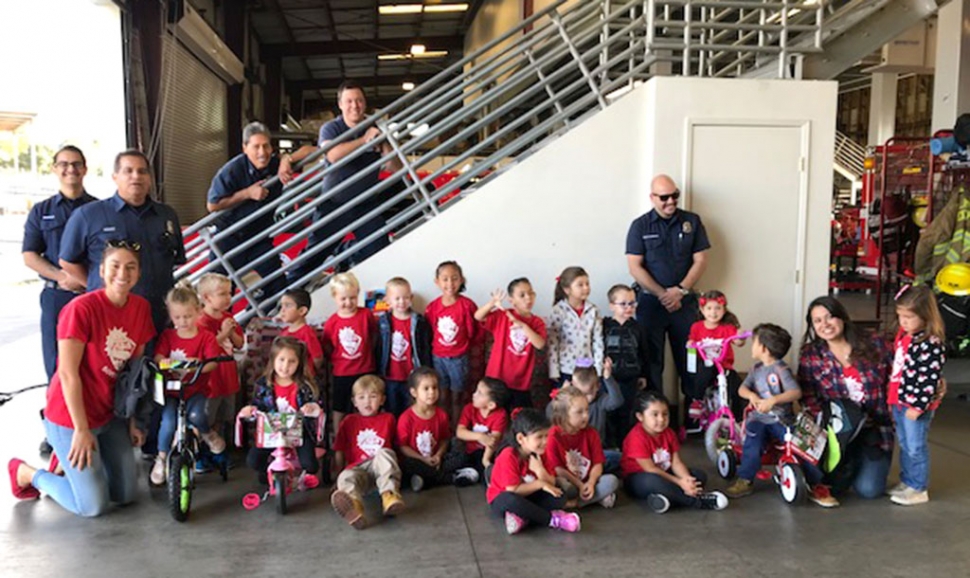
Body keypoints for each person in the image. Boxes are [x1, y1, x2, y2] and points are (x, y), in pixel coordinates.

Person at [8, 241, 154, 517]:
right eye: (115, 266)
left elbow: (134, 374)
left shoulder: (140, 308)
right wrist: (80, 429)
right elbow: (67, 373)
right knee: (92, 506)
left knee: (125, 495)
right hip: (71, 415)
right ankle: (27, 473)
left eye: (130, 267)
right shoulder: (81, 309)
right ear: (101, 270)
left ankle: (66, 464)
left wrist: (134, 421)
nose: (122, 273)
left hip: (109, 414)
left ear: (138, 273)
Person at [59, 149, 185, 334]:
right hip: (110, 315)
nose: (136, 176)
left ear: (150, 178)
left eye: (142, 171)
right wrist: (101, 285)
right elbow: (67, 261)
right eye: (128, 171)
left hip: (158, 316)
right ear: (115, 177)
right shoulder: (89, 215)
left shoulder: (166, 215)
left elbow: (175, 259)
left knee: (157, 363)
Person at [293, 81, 404, 280]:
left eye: (359, 100)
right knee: (313, 256)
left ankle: (348, 256)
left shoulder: (376, 127)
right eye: (349, 101)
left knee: (380, 251)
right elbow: (332, 155)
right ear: (340, 105)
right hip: (334, 203)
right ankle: (286, 295)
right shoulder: (331, 128)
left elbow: (396, 168)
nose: (355, 105)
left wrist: (385, 144)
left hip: (365, 204)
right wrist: (363, 141)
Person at [625, 174, 710, 428]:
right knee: (652, 363)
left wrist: (680, 290)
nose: (671, 201)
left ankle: (693, 420)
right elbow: (634, 266)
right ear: (652, 198)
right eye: (664, 197)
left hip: (684, 303)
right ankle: (655, 421)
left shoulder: (692, 222)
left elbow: (701, 260)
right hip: (651, 304)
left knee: (691, 360)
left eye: (675, 195)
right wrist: (663, 293)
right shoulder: (640, 226)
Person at [724, 323, 837, 507]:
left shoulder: (781, 370)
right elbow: (742, 389)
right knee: (752, 441)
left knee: (802, 445)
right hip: (759, 418)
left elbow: (795, 392)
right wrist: (751, 395)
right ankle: (745, 479)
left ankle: (816, 483)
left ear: (763, 348)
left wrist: (774, 400)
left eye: (754, 343)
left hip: (783, 420)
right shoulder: (756, 369)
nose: (752, 347)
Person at [206, 122, 315, 303]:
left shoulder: (276, 164)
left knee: (277, 285)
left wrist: (287, 159)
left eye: (266, 146)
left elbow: (311, 150)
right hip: (229, 236)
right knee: (219, 291)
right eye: (256, 146)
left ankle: (256, 320)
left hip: (259, 237)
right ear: (245, 148)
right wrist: (247, 193)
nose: (262, 152)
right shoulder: (231, 170)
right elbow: (212, 205)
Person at [797, 296, 895, 499]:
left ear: (842, 317)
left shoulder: (874, 343)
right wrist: (825, 424)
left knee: (869, 490)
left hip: (874, 429)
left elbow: (900, 372)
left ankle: (862, 464)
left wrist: (935, 384)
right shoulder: (811, 354)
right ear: (812, 326)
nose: (825, 325)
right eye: (817, 321)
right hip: (838, 433)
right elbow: (808, 396)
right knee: (835, 485)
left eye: (830, 317)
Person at [22, 145, 95, 382]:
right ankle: (58, 416)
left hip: (91, 295)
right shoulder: (41, 212)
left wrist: (85, 281)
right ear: (54, 169)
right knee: (57, 364)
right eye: (64, 164)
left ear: (85, 169)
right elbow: (30, 255)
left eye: (76, 164)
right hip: (56, 298)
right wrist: (63, 277)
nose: (70, 169)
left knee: (94, 361)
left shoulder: (100, 210)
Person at [151, 283, 226, 485]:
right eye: (177, 317)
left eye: (188, 316)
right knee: (168, 422)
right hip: (171, 392)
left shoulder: (206, 337)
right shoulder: (168, 336)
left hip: (195, 390)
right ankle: (162, 457)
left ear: (198, 312)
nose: (183, 322)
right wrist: (163, 362)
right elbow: (158, 357)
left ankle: (207, 434)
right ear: (170, 315)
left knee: (197, 415)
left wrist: (197, 367)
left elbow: (212, 364)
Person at [621, 391, 728, 513]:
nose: (661, 419)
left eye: (665, 414)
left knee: (698, 476)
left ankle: (666, 499)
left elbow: (676, 463)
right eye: (655, 415)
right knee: (654, 482)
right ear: (640, 417)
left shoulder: (669, 433)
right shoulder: (636, 437)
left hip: (665, 473)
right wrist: (679, 482)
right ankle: (697, 501)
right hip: (639, 479)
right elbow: (650, 469)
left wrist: (687, 479)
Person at [887, 285, 946, 506]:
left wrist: (918, 406)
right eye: (900, 316)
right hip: (899, 400)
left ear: (925, 316)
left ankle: (919, 487)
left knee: (915, 445)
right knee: (904, 443)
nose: (903, 321)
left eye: (909, 317)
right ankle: (908, 481)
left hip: (914, 405)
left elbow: (929, 379)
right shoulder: (905, 336)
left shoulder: (931, 344)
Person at [237, 337, 322, 485]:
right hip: (272, 431)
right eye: (281, 360)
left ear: (299, 363)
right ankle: (269, 472)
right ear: (273, 360)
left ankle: (301, 478)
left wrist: (311, 408)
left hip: (299, 431)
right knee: (253, 461)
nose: (285, 366)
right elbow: (258, 407)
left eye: (292, 361)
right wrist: (250, 411)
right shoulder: (263, 385)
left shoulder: (305, 386)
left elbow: (316, 405)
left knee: (310, 465)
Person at [486, 408, 580, 535]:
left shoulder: (540, 453)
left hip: (529, 497)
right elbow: (513, 490)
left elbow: (551, 482)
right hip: (505, 499)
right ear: (521, 438)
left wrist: (540, 470)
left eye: (547, 436)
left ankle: (523, 517)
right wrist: (540, 484)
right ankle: (552, 520)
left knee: (559, 497)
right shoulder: (508, 455)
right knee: (510, 499)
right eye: (539, 437)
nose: (545, 441)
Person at [330, 375, 404, 530]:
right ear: (354, 402)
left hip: (380, 468)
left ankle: (389, 495)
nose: (367, 402)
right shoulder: (349, 421)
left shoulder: (388, 419)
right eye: (361, 397)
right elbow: (339, 450)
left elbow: (397, 446)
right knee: (346, 477)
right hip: (359, 470)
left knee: (385, 453)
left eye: (373, 397)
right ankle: (354, 507)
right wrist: (337, 477)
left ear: (382, 400)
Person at [475, 278, 547, 410]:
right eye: (522, 295)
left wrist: (522, 325)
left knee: (520, 418)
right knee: (496, 417)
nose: (528, 298)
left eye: (531, 293)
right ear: (511, 300)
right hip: (496, 379)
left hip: (521, 382)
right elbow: (478, 316)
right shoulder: (503, 316)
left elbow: (540, 344)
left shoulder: (537, 322)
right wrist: (491, 304)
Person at [322, 272, 378, 435]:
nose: (348, 302)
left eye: (353, 298)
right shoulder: (332, 322)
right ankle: (339, 438)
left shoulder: (366, 315)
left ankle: (368, 434)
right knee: (340, 406)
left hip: (366, 370)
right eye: (343, 299)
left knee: (368, 405)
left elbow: (374, 336)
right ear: (335, 297)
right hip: (343, 372)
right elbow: (327, 346)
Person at [545, 385, 619, 508]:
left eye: (587, 410)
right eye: (579, 412)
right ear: (564, 415)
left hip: (588, 480)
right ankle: (594, 498)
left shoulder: (591, 433)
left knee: (612, 481)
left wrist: (591, 482)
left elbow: (597, 463)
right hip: (569, 482)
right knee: (563, 486)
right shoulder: (553, 436)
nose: (586, 416)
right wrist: (579, 485)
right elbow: (558, 469)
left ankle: (576, 503)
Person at [425, 261, 478, 427]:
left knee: (457, 396)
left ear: (461, 280)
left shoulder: (467, 305)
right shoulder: (433, 307)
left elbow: (473, 332)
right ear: (437, 282)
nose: (450, 283)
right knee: (441, 395)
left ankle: (457, 431)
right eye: (445, 279)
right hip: (438, 358)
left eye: (454, 278)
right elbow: (430, 331)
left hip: (459, 359)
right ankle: (442, 428)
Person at [396, 367, 463, 491]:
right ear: (414, 392)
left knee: (461, 456)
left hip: (436, 459)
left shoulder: (441, 414)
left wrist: (438, 455)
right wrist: (423, 459)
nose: (432, 392)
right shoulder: (406, 418)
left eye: (435, 388)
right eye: (426, 388)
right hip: (417, 460)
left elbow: (444, 439)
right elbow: (403, 447)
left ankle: (425, 480)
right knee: (407, 464)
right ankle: (449, 478)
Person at [686, 290, 744, 424]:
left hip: (724, 367)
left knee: (736, 386)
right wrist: (690, 344)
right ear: (702, 310)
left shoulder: (727, 328)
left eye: (718, 308)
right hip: (706, 364)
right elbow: (691, 341)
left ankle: (737, 418)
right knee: (702, 373)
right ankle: (698, 401)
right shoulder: (697, 327)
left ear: (724, 310)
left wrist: (740, 336)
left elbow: (738, 342)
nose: (713, 312)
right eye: (709, 308)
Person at [196, 273, 243, 439]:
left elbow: (239, 344)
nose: (228, 298)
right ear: (207, 297)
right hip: (211, 377)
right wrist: (223, 333)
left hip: (228, 373)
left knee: (224, 416)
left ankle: (220, 449)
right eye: (222, 294)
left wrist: (230, 333)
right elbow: (204, 348)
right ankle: (204, 449)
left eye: (229, 293)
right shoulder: (201, 320)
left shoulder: (229, 317)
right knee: (207, 415)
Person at [603, 284, 650, 448]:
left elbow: (645, 353)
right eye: (623, 304)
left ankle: (625, 446)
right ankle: (610, 445)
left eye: (632, 303)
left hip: (630, 378)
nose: (628, 308)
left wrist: (644, 375)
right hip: (609, 379)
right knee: (609, 412)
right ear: (611, 306)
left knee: (627, 412)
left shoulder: (639, 328)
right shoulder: (604, 326)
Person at [378, 277, 431, 416]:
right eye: (397, 298)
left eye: (406, 297)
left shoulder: (419, 321)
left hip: (413, 377)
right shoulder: (383, 322)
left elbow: (425, 348)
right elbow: (378, 348)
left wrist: (426, 371)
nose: (402, 302)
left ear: (411, 297)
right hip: (390, 377)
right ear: (387, 300)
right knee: (392, 410)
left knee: (413, 411)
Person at [547, 266, 604, 384]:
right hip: (566, 369)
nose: (586, 288)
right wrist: (554, 370)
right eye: (580, 285)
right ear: (567, 289)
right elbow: (553, 343)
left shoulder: (593, 310)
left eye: (587, 284)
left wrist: (598, 368)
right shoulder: (558, 311)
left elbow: (597, 340)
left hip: (587, 369)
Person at [455, 377, 509, 480]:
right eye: (476, 391)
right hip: (469, 452)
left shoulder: (500, 415)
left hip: (488, 453)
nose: (474, 394)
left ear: (491, 405)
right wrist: (480, 436)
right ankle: (470, 473)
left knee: (487, 466)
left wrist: (486, 461)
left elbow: (493, 440)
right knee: (457, 459)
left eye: (479, 393)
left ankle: (472, 475)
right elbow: (459, 432)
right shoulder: (469, 408)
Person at [278, 288, 325, 377]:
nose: (282, 310)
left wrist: (310, 372)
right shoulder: (283, 333)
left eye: (287, 305)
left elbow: (317, 357)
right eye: (281, 306)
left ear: (302, 311)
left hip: (303, 377)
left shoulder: (306, 332)